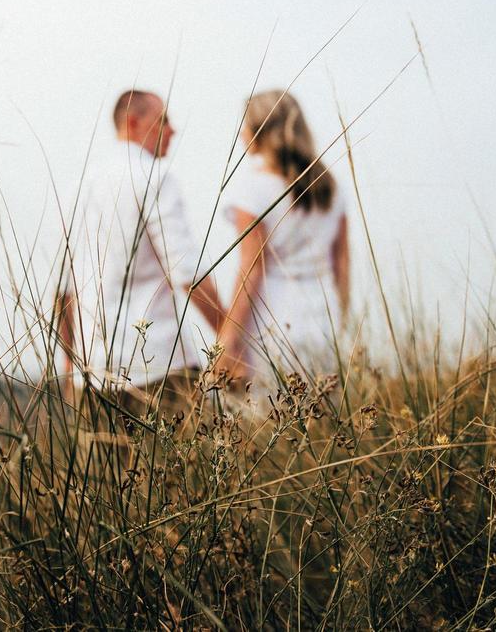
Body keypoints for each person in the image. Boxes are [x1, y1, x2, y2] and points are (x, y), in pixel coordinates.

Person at [55, 89, 227, 417]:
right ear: (134, 122)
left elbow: (64, 288)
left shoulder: (80, 186)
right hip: (159, 367)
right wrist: (232, 337)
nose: (173, 130)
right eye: (163, 120)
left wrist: (70, 363)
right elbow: (186, 272)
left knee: (103, 469)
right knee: (182, 468)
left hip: (90, 372)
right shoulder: (155, 177)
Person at [216, 89, 350, 384]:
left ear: (259, 131)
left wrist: (226, 340)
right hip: (322, 315)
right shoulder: (331, 185)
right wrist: (340, 318)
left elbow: (252, 269)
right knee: (324, 418)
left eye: (245, 124)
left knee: (271, 421)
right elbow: (341, 262)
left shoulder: (252, 189)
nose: (242, 133)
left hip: (273, 319)